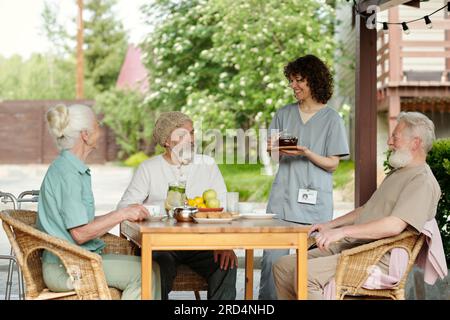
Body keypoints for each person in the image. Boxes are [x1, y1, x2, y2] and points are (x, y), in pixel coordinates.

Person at [272, 112, 441, 299]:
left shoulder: (422, 181)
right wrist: (330, 225)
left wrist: (343, 232)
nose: (389, 142)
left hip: (375, 256)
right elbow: (365, 209)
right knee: (283, 267)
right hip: (355, 246)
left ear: (415, 143)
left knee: (304, 275)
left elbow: (394, 225)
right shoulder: (399, 173)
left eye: (395, 137)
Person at [37, 104, 161, 300]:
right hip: (67, 268)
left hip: (77, 260)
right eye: (98, 125)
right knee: (143, 275)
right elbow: (79, 234)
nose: (101, 130)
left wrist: (125, 211)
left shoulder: (71, 169)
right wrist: (121, 214)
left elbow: (81, 224)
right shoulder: (67, 174)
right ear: (85, 134)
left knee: (151, 266)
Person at [117, 111, 237, 300]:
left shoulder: (207, 164)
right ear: (166, 141)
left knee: (226, 264)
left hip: (201, 244)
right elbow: (124, 207)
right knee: (158, 265)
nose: (190, 139)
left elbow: (223, 208)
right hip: (162, 245)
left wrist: (225, 244)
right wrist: (148, 212)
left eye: (192, 132)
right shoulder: (149, 168)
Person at [259, 54, 349, 299]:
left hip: (313, 211)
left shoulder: (332, 119)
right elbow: (275, 157)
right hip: (282, 203)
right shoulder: (283, 114)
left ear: (315, 81)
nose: (293, 86)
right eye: (291, 80)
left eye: (299, 80)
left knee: (304, 271)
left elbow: (332, 164)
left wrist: (307, 152)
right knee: (270, 266)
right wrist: (273, 148)